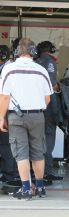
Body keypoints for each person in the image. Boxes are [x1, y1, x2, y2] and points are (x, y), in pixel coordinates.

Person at [0, 38, 53, 200]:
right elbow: (48, 99)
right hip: (38, 115)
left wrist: (1, 117)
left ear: (16, 52)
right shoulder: (41, 70)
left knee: (21, 153)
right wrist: (37, 109)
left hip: (16, 116)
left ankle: (25, 188)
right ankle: (40, 187)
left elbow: (4, 98)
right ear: (34, 52)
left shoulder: (9, 69)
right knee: (38, 152)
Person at [35, 41, 63, 181]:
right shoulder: (49, 61)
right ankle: (47, 171)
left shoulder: (35, 61)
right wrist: (59, 87)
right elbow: (51, 84)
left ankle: (35, 171)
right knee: (49, 136)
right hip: (48, 106)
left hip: (34, 107)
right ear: (50, 50)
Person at [0, 44, 18, 183]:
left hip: (6, 112)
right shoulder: (9, 67)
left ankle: (9, 176)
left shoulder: (8, 69)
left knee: (6, 145)